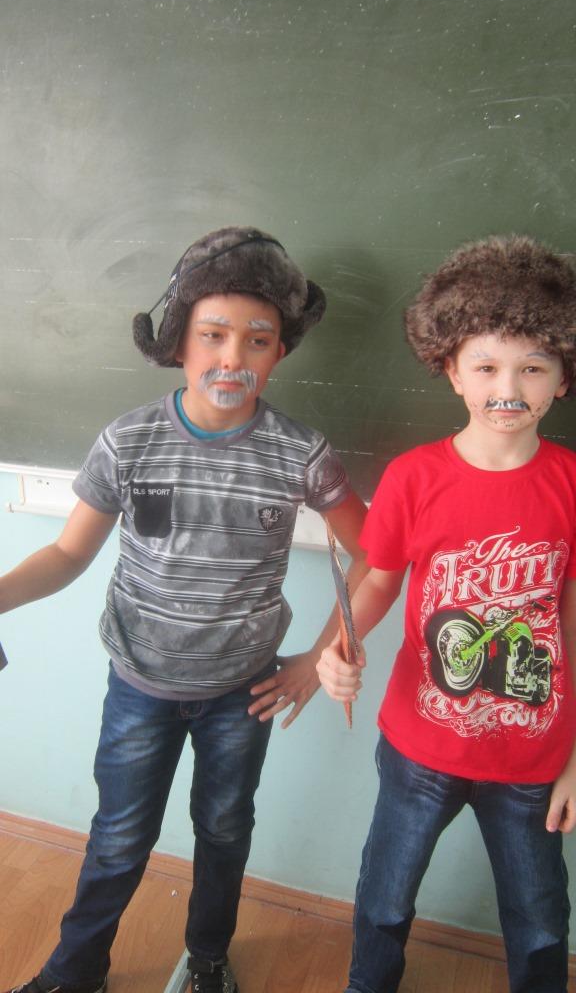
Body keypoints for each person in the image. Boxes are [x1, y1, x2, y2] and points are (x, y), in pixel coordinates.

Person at [1, 226, 367, 993]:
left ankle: (206, 960)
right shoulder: (128, 442)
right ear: (177, 342)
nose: (233, 358)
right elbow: (67, 553)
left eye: (257, 340)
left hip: (243, 689)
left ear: (280, 351)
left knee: (224, 831)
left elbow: (374, 554)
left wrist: (318, 658)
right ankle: (75, 971)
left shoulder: (300, 453)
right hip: (139, 685)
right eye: (213, 335)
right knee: (119, 836)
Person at [317, 235, 576, 993]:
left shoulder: (570, 483)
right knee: (385, 902)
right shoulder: (414, 477)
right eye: (487, 367)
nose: (509, 388)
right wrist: (338, 645)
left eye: (533, 368)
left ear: (563, 378)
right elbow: (378, 582)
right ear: (452, 369)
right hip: (419, 748)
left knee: (540, 923)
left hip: (534, 760)